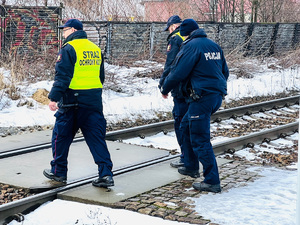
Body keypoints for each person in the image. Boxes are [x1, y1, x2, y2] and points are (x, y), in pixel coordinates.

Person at [43, 19, 114, 188]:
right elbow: (100, 77)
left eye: (65, 30)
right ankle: (106, 174)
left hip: (71, 103)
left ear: (73, 30)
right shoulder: (95, 49)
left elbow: (63, 76)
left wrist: (54, 98)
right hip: (93, 101)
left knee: (60, 137)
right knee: (96, 139)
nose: (63, 33)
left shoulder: (69, 49)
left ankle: (59, 172)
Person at [160, 19, 229, 193]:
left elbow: (178, 73)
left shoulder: (191, 46)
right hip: (214, 95)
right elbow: (225, 72)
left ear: (185, 32)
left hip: (201, 97)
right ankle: (190, 166)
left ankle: (212, 181)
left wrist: (165, 87)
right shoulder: (213, 45)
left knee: (200, 138)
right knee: (185, 127)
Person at [159, 15, 188, 168]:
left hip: (179, 87)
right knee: (189, 123)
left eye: (169, 28)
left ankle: (185, 157)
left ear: (173, 26)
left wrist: (163, 84)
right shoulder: (190, 36)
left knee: (180, 122)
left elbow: (170, 64)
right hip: (192, 86)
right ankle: (190, 157)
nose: (169, 31)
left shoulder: (175, 38)